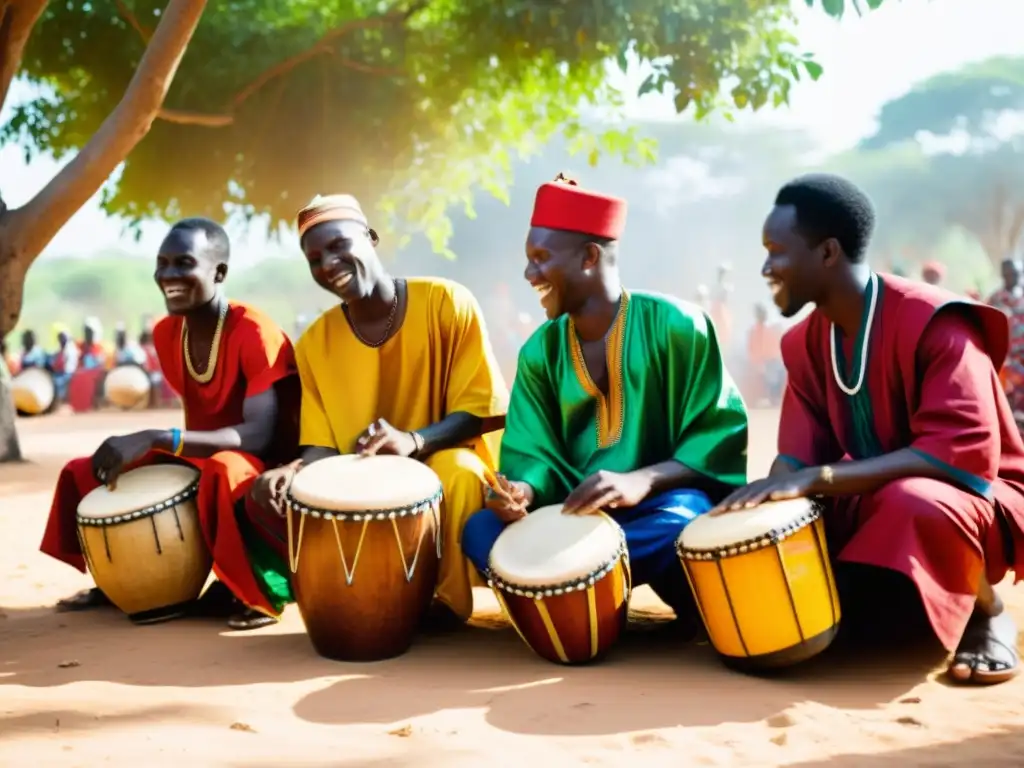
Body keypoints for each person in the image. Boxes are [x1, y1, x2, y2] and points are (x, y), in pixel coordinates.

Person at [713, 173, 1024, 685]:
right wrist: (766, 504)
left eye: (777, 251)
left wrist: (820, 479)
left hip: (976, 499)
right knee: (793, 514)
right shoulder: (805, 344)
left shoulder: (936, 322)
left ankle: (986, 613)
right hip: (875, 493)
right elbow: (796, 457)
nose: (766, 267)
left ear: (828, 252)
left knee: (912, 500)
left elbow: (959, 457)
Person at [459, 175, 749, 626]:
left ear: (590, 256)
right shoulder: (540, 350)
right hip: (567, 514)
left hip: (654, 510)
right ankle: (575, 587)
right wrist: (523, 491)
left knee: (684, 520)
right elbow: (532, 452)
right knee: (480, 531)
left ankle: (559, 586)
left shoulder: (678, 325)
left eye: (540, 258)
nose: (528, 274)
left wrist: (642, 480)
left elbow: (717, 438)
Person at [250, 194, 509, 626]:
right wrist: (291, 470)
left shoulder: (446, 301)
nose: (328, 264)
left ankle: (445, 602)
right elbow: (321, 448)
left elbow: (480, 409)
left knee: (460, 471)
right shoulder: (315, 343)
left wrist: (413, 441)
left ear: (370, 237)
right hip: (360, 476)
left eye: (337, 246)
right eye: (314, 259)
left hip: (439, 456)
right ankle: (365, 594)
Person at [40, 217, 301, 631]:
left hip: (261, 463)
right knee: (85, 470)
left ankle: (262, 590)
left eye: (183, 263)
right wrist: (157, 445)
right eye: (162, 264)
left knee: (224, 469)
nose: (168, 275)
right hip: (198, 452)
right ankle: (120, 582)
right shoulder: (166, 334)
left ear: (219, 272)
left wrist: (160, 437)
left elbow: (260, 434)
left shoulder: (254, 329)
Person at [988, 258, 1024, 431]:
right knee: (1008, 400)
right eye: (1009, 273)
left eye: (1016, 272)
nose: (1013, 276)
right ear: (1003, 274)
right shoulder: (995, 300)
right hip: (1008, 361)